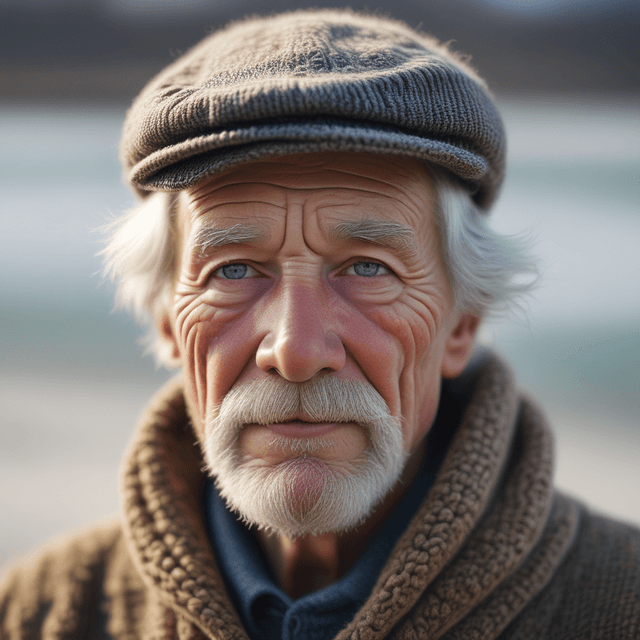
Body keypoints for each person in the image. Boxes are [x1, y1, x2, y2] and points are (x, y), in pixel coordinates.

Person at [1, 9, 638, 640]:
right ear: (168, 319)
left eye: (367, 267)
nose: (297, 350)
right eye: (233, 270)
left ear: (461, 323)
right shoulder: (38, 613)